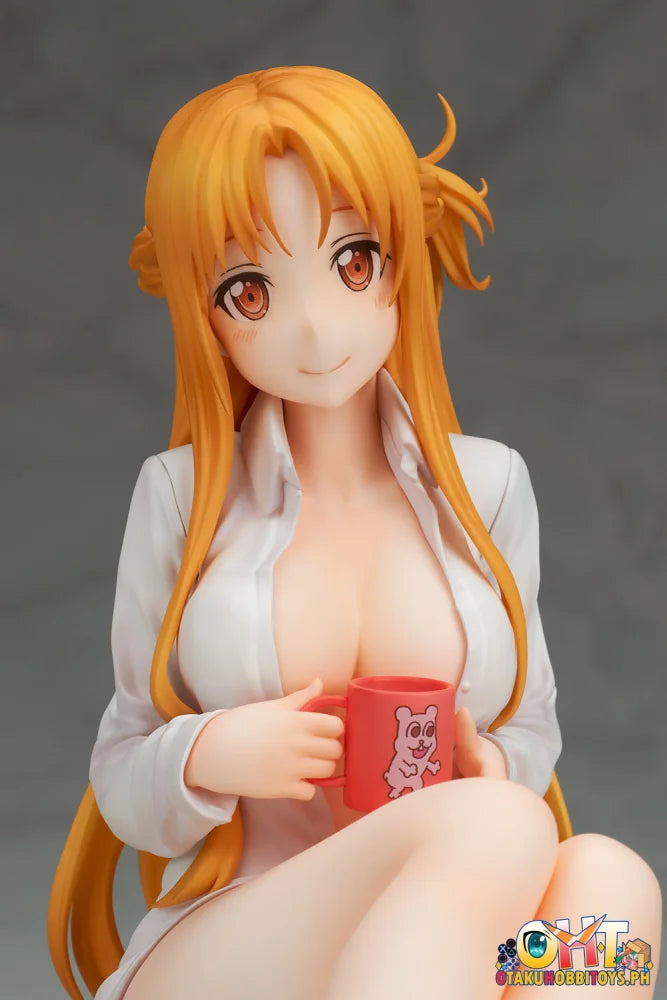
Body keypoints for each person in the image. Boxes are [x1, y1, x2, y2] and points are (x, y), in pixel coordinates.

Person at [48, 66, 662, 1000]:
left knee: (609, 888)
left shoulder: (486, 487)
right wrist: (211, 754)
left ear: (403, 255)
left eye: (353, 262)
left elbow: (530, 723)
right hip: (240, 944)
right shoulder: (181, 497)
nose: (313, 328)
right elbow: (123, 770)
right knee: (495, 824)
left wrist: (492, 762)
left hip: (435, 945)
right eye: (250, 291)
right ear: (202, 312)